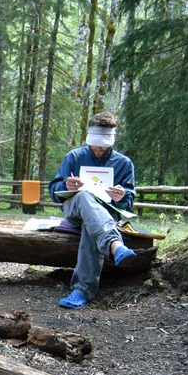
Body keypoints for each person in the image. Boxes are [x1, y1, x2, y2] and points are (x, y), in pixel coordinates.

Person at [48, 111, 136, 309]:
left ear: (112, 140)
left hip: (103, 215)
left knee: (93, 223)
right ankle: (115, 245)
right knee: (85, 196)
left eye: (103, 145)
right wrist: (65, 185)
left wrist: (122, 196)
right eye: (96, 144)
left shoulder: (124, 163)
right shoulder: (74, 157)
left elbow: (129, 202)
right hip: (74, 211)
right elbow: (53, 191)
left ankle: (81, 290)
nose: (98, 149)